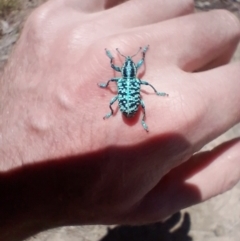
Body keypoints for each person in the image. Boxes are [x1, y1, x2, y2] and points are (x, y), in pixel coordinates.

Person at [0, 0, 240, 240]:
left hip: (128, 104)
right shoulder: (131, 80)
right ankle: (137, 120)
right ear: (130, 71)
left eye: (130, 65)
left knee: (135, 101)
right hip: (129, 104)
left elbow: (131, 82)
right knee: (137, 101)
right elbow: (132, 82)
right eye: (128, 65)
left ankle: (134, 118)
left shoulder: (128, 80)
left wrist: (136, 65)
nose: (128, 67)